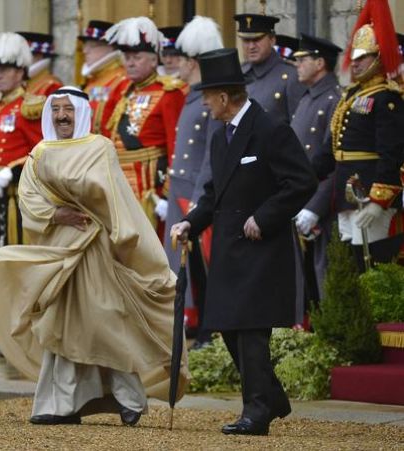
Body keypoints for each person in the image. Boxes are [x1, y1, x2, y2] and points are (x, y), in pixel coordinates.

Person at [0, 86, 185, 426]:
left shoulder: (100, 148)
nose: (62, 116)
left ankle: (129, 400)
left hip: (97, 250)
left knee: (105, 319)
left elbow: (115, 197)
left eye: (68, 110)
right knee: (61, 327)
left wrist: (120, 239)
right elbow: (29, 197)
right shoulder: (41, 152)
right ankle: (60, 405)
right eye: (57, 109)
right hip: (59, 251)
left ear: (81, 113)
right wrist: (56, 214)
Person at [170, 48, 317, 435]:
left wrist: (265, 217)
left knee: (251, 330)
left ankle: (256, 411)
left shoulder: (269, 129)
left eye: (207, 96)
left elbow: (301, 181)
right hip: (229, 250)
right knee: (229, 327)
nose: (204, 104)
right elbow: (214, 194)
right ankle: (272, 397)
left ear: (224, 97)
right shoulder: (221, 136)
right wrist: (189, 223)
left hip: (261, 248)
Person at [312, 0, 404, 271]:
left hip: (370, 193)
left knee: (371, 263)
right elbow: (332, 149)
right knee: (350, 266)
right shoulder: (352, 96)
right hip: (346, 194)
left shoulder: (386, 98)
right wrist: (303, 178)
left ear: (378, 57)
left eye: (363, 57)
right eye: (354, 57)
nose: (356, 63)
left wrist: (379, 201)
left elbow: (391, 153)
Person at [0, 32, 44, 357]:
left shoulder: (29, 107)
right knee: (3, 261)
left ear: (20, 71)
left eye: (4, 69)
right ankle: (9, 333)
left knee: (17, 262)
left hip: (16, 195)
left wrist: (14, 171)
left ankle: (24, 334)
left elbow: (41, 151)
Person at [163, 16, 223, 348]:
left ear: (194, 61)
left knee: (203, 265)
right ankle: (201, 326)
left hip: (196, 193)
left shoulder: (208, 97)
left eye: (183, 58)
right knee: (188, 265)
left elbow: (210, 156)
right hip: (181, 189)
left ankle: (210, 330)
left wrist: (200, 197)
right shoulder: (190, 95)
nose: (178, 64)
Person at [103, 17, 185, 236]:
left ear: (154, 60)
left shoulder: (169, 93)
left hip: (151, 191)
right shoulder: (124, 91)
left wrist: (167, 195)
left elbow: (176, 148)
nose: (130, 63)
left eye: (137, 57)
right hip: (122, 188)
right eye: (127, 57)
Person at [290, 34, 342, 307]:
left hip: (322, 209)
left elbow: (336, 162)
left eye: (303, 60)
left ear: (320, 63)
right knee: (305, 283)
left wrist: (315, 208)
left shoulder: (334, 100)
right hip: (300, 202)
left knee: (325, 278)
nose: (297, 65)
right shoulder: (307, 98)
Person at [234, 13, 306, 124]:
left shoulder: (291, 77)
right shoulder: (238, 73)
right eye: (246, 41)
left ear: (272, 40)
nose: (251, 46)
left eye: (257, 40)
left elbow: (299, 126)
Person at [78, 20, 128, 135]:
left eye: (92, 46)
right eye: (85, 46)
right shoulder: (93, 80)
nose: (85, 51)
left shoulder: (123, 80)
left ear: (110, 47)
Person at [17, 32, 63, 97]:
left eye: (23, 56)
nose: (18, 61)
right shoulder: (22, 84)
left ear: (39, 55)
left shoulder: (52, 86)